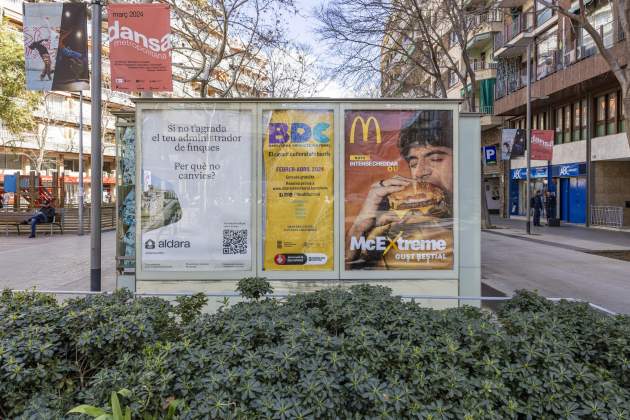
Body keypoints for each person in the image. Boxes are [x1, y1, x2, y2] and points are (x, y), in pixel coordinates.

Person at [346, 111, 453, 268]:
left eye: (435, 159)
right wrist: (359, 227)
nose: (420, 172)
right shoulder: (389, 212)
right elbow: (349, 267)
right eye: (413, 163)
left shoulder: (462, 222)